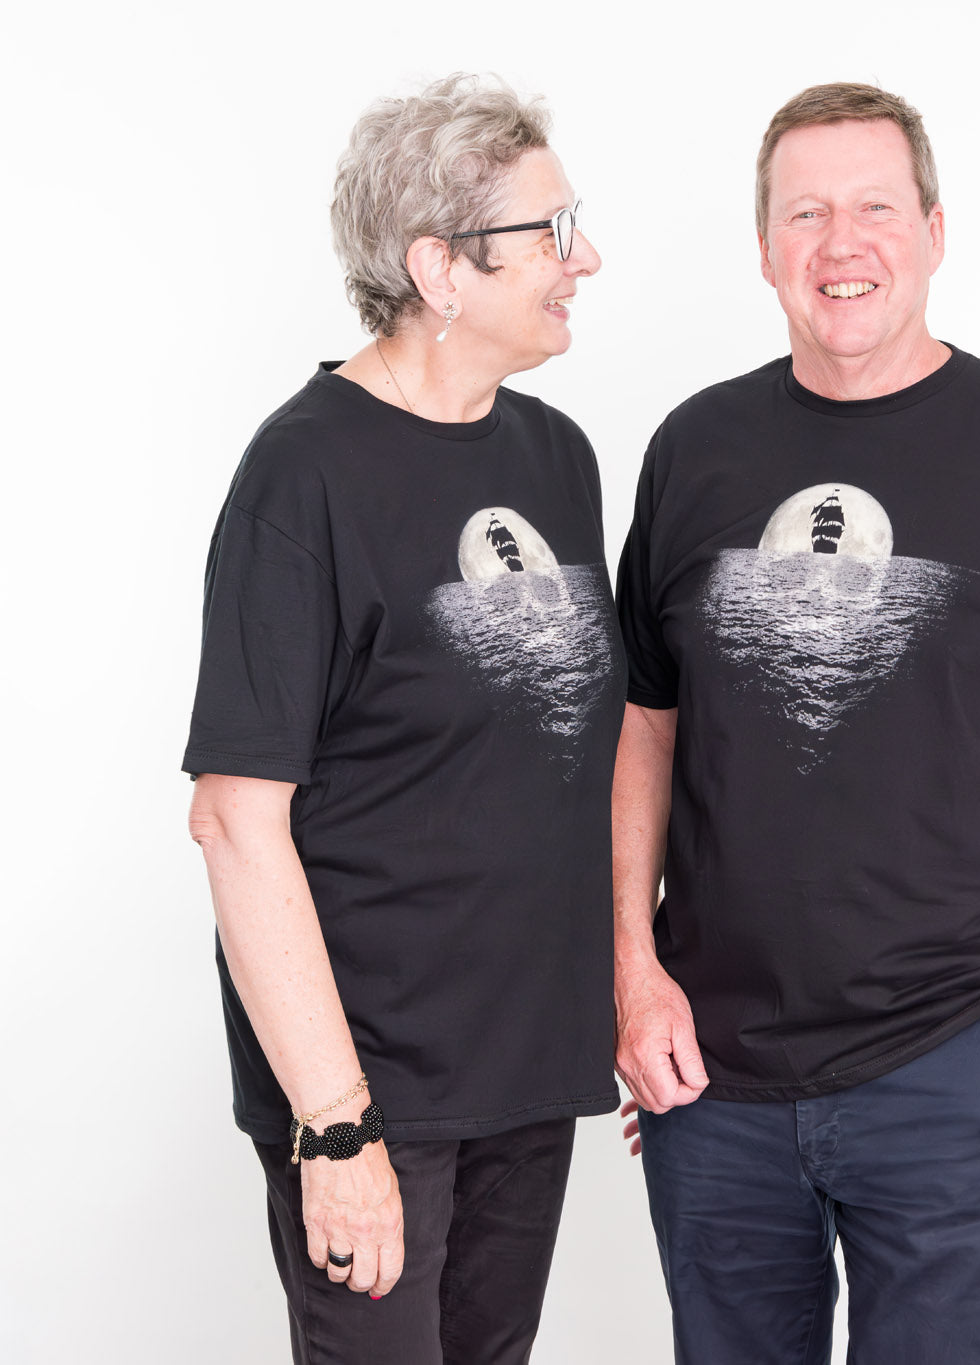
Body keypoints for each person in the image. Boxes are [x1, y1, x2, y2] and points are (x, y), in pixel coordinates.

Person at [613, 82, 980, 1364]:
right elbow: (644, 725)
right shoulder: (696, 450)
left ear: (933, 229)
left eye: (872, 208)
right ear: (763, 249)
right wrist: (633, 976)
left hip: (955, 1067)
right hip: (715, 1084)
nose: (839, 244)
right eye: (805, 213)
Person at [184, 74, 623, 1365]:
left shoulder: (557, 459)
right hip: (373, 1091)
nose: (581, 258)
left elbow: (561, 755)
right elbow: (233, 818)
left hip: (527, 1074)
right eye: (546, 232)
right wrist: (333, 1127)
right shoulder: (302, 474)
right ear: (438, 266)